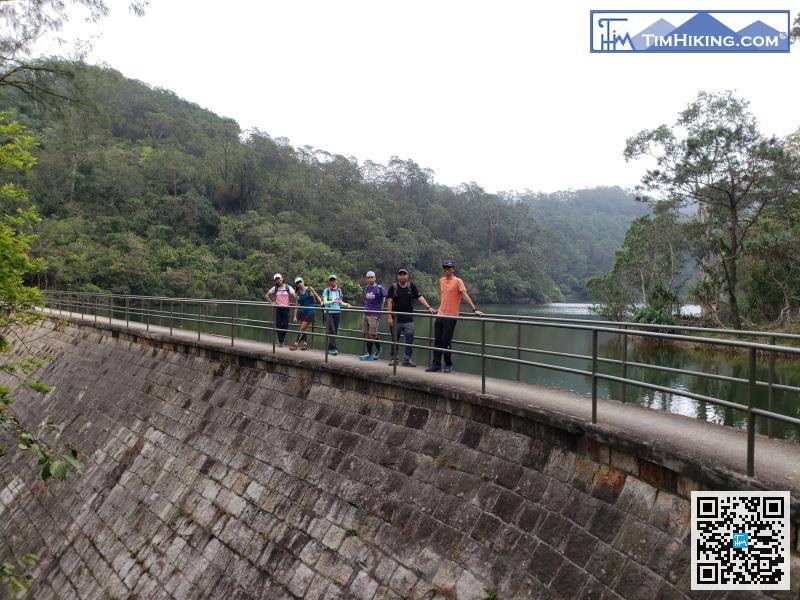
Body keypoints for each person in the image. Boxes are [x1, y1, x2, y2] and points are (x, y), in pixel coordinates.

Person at [426, 260, 483, 373]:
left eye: (449, 267)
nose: (447, 269)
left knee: (446, 341)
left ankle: (448, 364)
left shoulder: (458, 281)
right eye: (445, 267)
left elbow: (464, 295)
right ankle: (436, 364)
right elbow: (445, 297)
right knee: (437, 340)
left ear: (453, 269)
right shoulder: (441, 281)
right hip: (440, 315)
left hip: (451, 316)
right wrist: (440, 309)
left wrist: (474, 309)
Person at [386, 268, 436, 367]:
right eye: (400, 274)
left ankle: (406, 359)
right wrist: (389, 317)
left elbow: (419, 297)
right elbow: (390, 302)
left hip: (408, 319)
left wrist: (428, 307)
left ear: (407, 276)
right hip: (396, 319)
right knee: (394, 339)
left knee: (409, 339)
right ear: (398, 276)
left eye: (404, 274)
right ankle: (394, 359)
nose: (402, 276)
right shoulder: (393, 287)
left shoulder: (411, 287)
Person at [359, 271, 388, 361]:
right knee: (369, 334)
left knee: (371, 336)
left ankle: (369, 355)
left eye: (372, 277)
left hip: (375, 315)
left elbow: (387, 296)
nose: (370, 279)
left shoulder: (379, 288)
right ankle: (379, 349)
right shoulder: (367, 288)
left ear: (375, 278)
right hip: (366, 314)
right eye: (368, 278)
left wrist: (382, 309)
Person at [290, 277, 322, 351]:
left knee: (302, 328)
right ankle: (305, 344)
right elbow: (297, 305)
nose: (299, 284)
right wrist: (295, 316)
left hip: (310, 312)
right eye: (297, 283)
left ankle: (296, 344)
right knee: (303, 329)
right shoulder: (297, 293)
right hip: (302, 312)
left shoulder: (310, 289)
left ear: (303, 281)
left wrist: (321, 302)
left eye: (300, 282)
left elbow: (317, 296)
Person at [321, 274, 350, 355]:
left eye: (334, 280)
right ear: (329, 281)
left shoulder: (339, 291)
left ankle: (330, 348)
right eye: (331, 280)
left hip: (337, 312)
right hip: (328, 312)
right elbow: (325, 302)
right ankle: (333, 348)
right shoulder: (326, 290)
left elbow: (340, 302)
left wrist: (346, 304)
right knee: (332, 330)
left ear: (336, 281)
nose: (333, 281)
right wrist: (333, 301)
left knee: (335, 331)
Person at [266, 273, 297, 347]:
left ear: (282, 278)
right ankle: (281, 342)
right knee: (278, 325)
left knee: (285, 325)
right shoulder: (275, 288)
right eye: (276, 279)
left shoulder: (288, 287)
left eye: (279, 278)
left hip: (286, 308)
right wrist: (271, 303)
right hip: (278, 308)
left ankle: (281, 340)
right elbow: (266, 296)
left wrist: (297, 295)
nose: (278, 280)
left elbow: (294, 295)